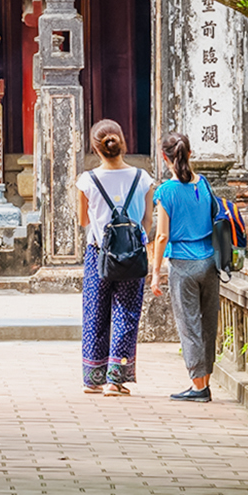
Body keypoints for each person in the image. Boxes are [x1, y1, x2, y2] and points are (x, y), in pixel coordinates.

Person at [76, 119, 153, 396]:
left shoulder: (87, 180)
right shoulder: (143, 178)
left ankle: (93, 378)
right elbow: (147, 221)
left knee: (95, 312)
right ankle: (115, 379)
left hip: (98, 253)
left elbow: (83, 220)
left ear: (96, 148)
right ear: (122, 142)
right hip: (132, 253)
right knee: (126, 313)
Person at [150, 132, 219, 403]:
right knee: (208, 323)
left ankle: (198, 386)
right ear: (189, 154)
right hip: (209, 261)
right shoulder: (203, 184)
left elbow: (162, 236)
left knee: (189, 326)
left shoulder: (166, 192)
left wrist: (156, 273)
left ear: (164, 157)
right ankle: (205, 382)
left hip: (182, 263)